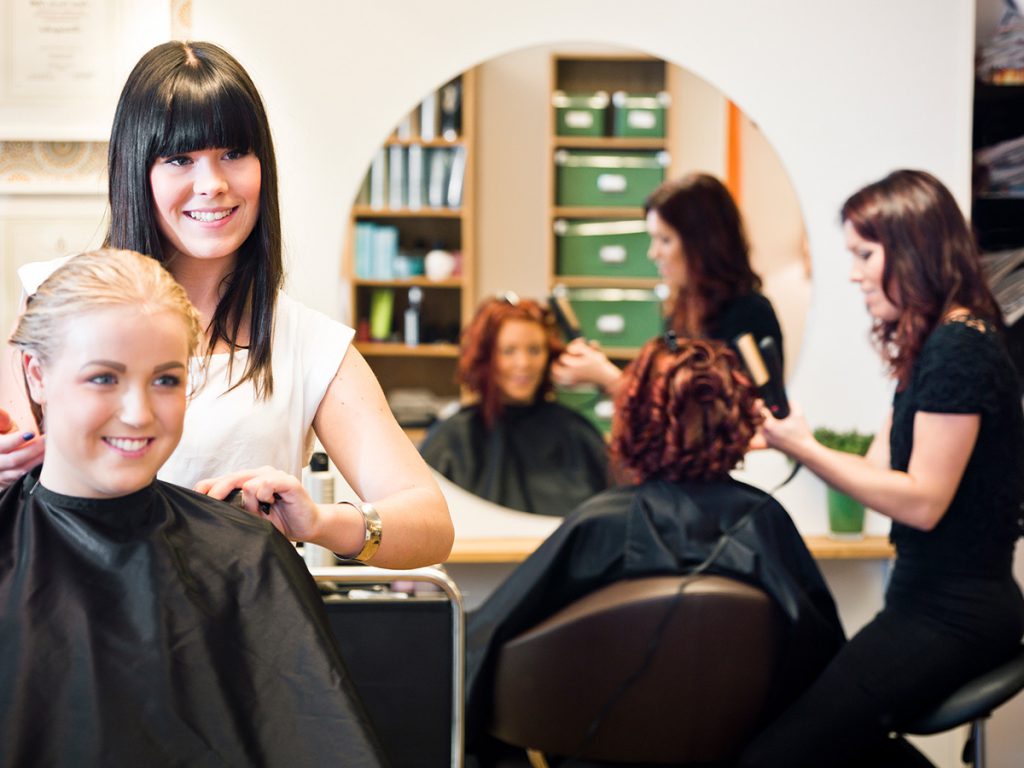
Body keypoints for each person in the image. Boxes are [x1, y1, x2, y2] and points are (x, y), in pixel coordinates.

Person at [0, 41, 452, 568]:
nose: (212, 185)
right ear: (136, 171)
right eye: (179, 159)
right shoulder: (55, 301)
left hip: (234, 632)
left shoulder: (309, 347)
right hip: (81, 623)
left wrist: (323, 523)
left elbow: (431, 524)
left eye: (234, 154)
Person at [0, 249, 385, 766]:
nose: (138, 414)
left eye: (165, 380)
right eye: (103, 378)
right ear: (36, 373)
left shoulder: (244, 557)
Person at [739, 170, 1024, 768]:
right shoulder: (932, 348)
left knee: (776, 757)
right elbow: (879, 472)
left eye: (865, 254)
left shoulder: (960, 347)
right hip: (922, 602)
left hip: (958, 612)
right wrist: (790, 441)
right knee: (822, 734)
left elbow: (922, 501)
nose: (853, 273)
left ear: (914, 249)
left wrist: (805, 450)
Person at [464, 335, 844, 765]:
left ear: (632, 416)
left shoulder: (601, 523)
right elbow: (819, 655)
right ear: (734, 417)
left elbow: (487, 649)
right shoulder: (763, 519)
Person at [551, 173, 783, 396]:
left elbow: (709, 416)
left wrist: (610, 378)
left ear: (703, 243)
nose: (653, 253)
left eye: (665, 240)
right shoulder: (683, 311)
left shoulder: (750, 315)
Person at [419, 295, 609, 516]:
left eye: (535, 350)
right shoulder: (453, 437)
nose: (524, 364)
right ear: (486, 358)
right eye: (508, 351)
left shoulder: (576, 433)